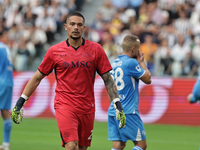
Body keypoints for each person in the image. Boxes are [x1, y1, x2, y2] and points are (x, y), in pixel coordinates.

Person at [11, 12, 126, 150]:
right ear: (66, 27)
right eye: (72, 24)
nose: (75, 27)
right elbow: (37, 77)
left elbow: (108, 79)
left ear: (84, 28)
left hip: (87, 107)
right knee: (71, 146)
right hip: (64, 105)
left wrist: (117, 103)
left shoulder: (96, 50)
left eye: (79, 25)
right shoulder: (55, 51)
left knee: (82, 148)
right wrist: (20, 102)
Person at [108, 35, 151, 150]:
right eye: (138, 48)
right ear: (133, 48)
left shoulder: (114, 63)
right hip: (128, 111)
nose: (139, 51)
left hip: (113, 110)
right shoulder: (131, 63)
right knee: (141, 145)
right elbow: (148, 79)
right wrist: (141, 62)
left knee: (118, 145)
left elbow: (110, 87)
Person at [0, 41, 14, 150]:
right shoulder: (5, 47)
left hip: (0, 81)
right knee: (5, 112)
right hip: (8, 81)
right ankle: (6, 144)